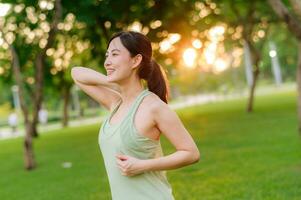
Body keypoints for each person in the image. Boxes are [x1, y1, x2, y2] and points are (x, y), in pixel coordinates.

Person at [71, 31, 200, 200]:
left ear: (136, 60)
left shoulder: (154, 107)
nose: (107, 62)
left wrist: (142, 165)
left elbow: (191, 153)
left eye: (115, 54)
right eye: (107, 55)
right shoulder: (115, 103)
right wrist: (112, 83)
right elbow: (76, 73)